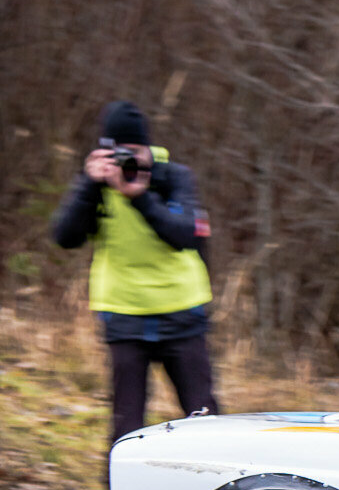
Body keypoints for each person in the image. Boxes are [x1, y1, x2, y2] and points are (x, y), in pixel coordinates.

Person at [50, 100, 218, 444]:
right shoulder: (97, 185)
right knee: (127, 424)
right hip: (125, 314)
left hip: (181, 310)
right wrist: (87, 184)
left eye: (136, 151)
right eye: (121, 151)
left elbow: (183, 234)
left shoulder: (172, 176)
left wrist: (140, 197)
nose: (129, 159)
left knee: (204, 416)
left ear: (148, 148)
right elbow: (65, 238)